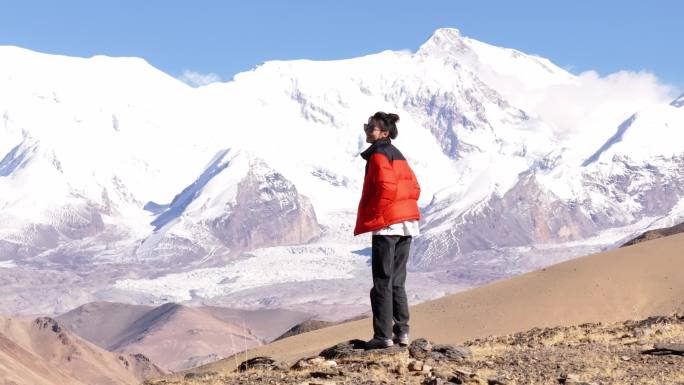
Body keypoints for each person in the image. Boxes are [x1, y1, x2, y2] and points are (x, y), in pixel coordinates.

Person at [354, 112, 421, 349]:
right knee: (397, 282)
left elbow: (385, 185)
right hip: (407, 223)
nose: (366, 130)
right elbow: (415, 187)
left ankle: (383, 337)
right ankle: (402, 333)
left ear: (384, 133)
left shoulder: (379, 155)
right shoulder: (398, 154)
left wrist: (381, 214)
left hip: (387, 226)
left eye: (371, 127)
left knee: (382, 281)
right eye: (367, 125)